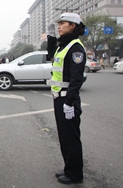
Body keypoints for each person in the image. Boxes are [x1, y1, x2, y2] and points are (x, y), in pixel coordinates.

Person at [47, 13, 86, 184]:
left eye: (62, 23)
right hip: (59, 98)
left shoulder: (76, 48)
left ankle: (75, 174)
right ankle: (68, 168)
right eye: (58, 24)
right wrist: (50, 36)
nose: (59, 26)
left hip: (67, 100)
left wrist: (69, 102)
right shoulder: (64, 45)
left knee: (71, 138)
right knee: (64, 137)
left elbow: (76, 79)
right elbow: (51, 56)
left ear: (73, 26)